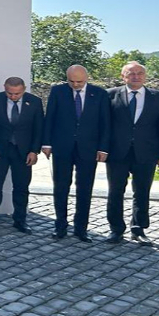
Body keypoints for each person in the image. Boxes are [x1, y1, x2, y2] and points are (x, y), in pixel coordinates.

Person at [105, 62, 159, 245]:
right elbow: (104, 125)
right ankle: (116, 229)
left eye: (140, 73)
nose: (136, 76)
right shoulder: (110, 95)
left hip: (146, 152)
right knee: (115, 191)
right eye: (131, 73)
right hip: (117, 152)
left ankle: (138, 229)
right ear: (123, 76)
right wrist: (102, 149)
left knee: (142, 192)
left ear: (145, 76)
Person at [42, 64, 110, 243]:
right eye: (71, 81)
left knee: (85, 189)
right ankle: (60, 226)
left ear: (86, 78)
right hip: (62, 147)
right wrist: (46, 143)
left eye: (79, 81)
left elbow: (105, 122)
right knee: (60, 187)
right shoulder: (58, 91)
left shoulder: (99, 94)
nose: (75, 85)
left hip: (88, 148)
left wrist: (103, 148)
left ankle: (81, 229)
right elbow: (50, 117)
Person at [0, 77, 43, 234]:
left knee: (21, 187)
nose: (13, 96)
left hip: (23, 152)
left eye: (17, 93)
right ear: (4, 88)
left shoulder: (34, 102)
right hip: (0, 150)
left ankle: (20, 220)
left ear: (24, 89)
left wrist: (34, 151)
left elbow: (39, 128)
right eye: (10, 93)